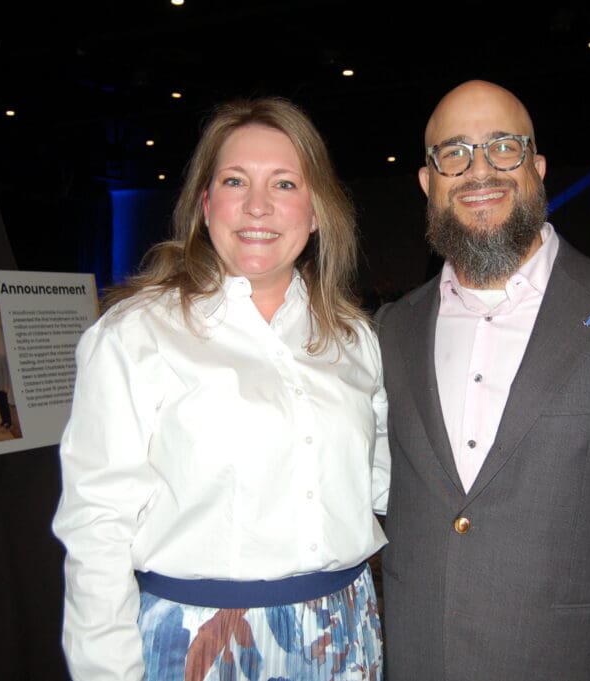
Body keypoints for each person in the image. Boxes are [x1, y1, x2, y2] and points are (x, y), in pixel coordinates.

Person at [374, 80, 590, 681]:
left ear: (537, 168)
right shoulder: (390, 330)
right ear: (427, 182)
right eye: (454, 153)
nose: (479, 170)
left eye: (504, 148)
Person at [51, 96, 389, 681]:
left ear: (316, 212)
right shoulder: (137, 334)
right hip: (198, 643)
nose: (258, 205)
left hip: (344, 630)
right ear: (206, 205)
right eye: (235, 181)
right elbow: (97, 525)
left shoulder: (353, 336)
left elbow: (378, 484)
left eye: (285, 184)